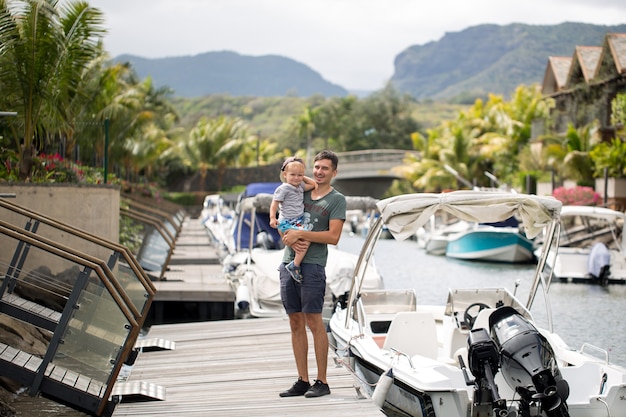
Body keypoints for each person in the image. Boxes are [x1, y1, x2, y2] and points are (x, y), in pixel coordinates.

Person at [277, 150, 346, 399]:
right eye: (316, 167)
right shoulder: (298, 190)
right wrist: (289, 237)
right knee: (295, 322)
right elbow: (283, 221)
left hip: (313, 266)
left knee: (314, 322)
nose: (319, 171)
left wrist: (302, 235)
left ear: (334, 172)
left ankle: (322, 381)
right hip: (288, 263)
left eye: (325, 168)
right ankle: (302, 380)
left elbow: (333, 237)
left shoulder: (337, 200)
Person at [269, 156, 318, 283]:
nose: (296, 178)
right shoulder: (283, 188)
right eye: (293, 175)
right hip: (286, 221)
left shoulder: (300, 186)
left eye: (299, 175)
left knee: (304, 241)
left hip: (297, 221)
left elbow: (313, 184)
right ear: (285, 174)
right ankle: (294, 265)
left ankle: (292, 264)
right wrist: (272, 218)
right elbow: (274, 204)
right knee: (303, 241)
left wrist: (302, 176)